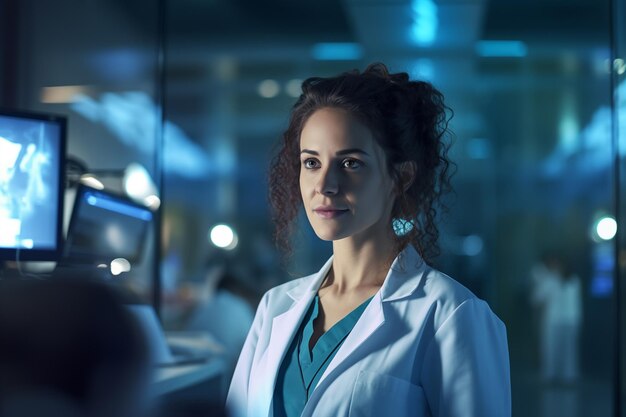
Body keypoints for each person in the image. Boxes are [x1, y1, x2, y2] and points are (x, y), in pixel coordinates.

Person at [226, 63, 511, 417]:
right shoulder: (275, 308)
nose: (325, 186)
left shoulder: (450, 314)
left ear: (400, 177)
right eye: (311, 163)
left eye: (350, 164)